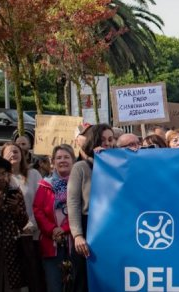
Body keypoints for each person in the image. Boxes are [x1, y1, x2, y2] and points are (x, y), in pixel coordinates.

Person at [68, 123, 115, 292]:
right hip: (88, 227)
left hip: (110, 228)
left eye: (111, 139)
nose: (108, 143)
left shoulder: (117, 166)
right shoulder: (80, 167)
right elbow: (73, 203)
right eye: (103, 140)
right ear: (94, 141)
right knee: (83, 280)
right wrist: (78, 235)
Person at [33, 144, 75, 292]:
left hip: (74, 244)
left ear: (73, 160)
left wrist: (64, 229)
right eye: (58, 158)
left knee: (75, 285)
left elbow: (80, 210)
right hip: (51, 244)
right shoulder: (45, 185)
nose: (62, 160)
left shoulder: (80, 183)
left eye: (66, 157)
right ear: (53, 161)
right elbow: (37, 210)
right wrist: (53, 230)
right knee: (54, 286)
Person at [0, 155, 29, 291]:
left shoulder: (14, 192)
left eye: (4, 174)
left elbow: (23, 223)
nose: (1, 178)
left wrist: (16, 209)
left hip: (11, 253)